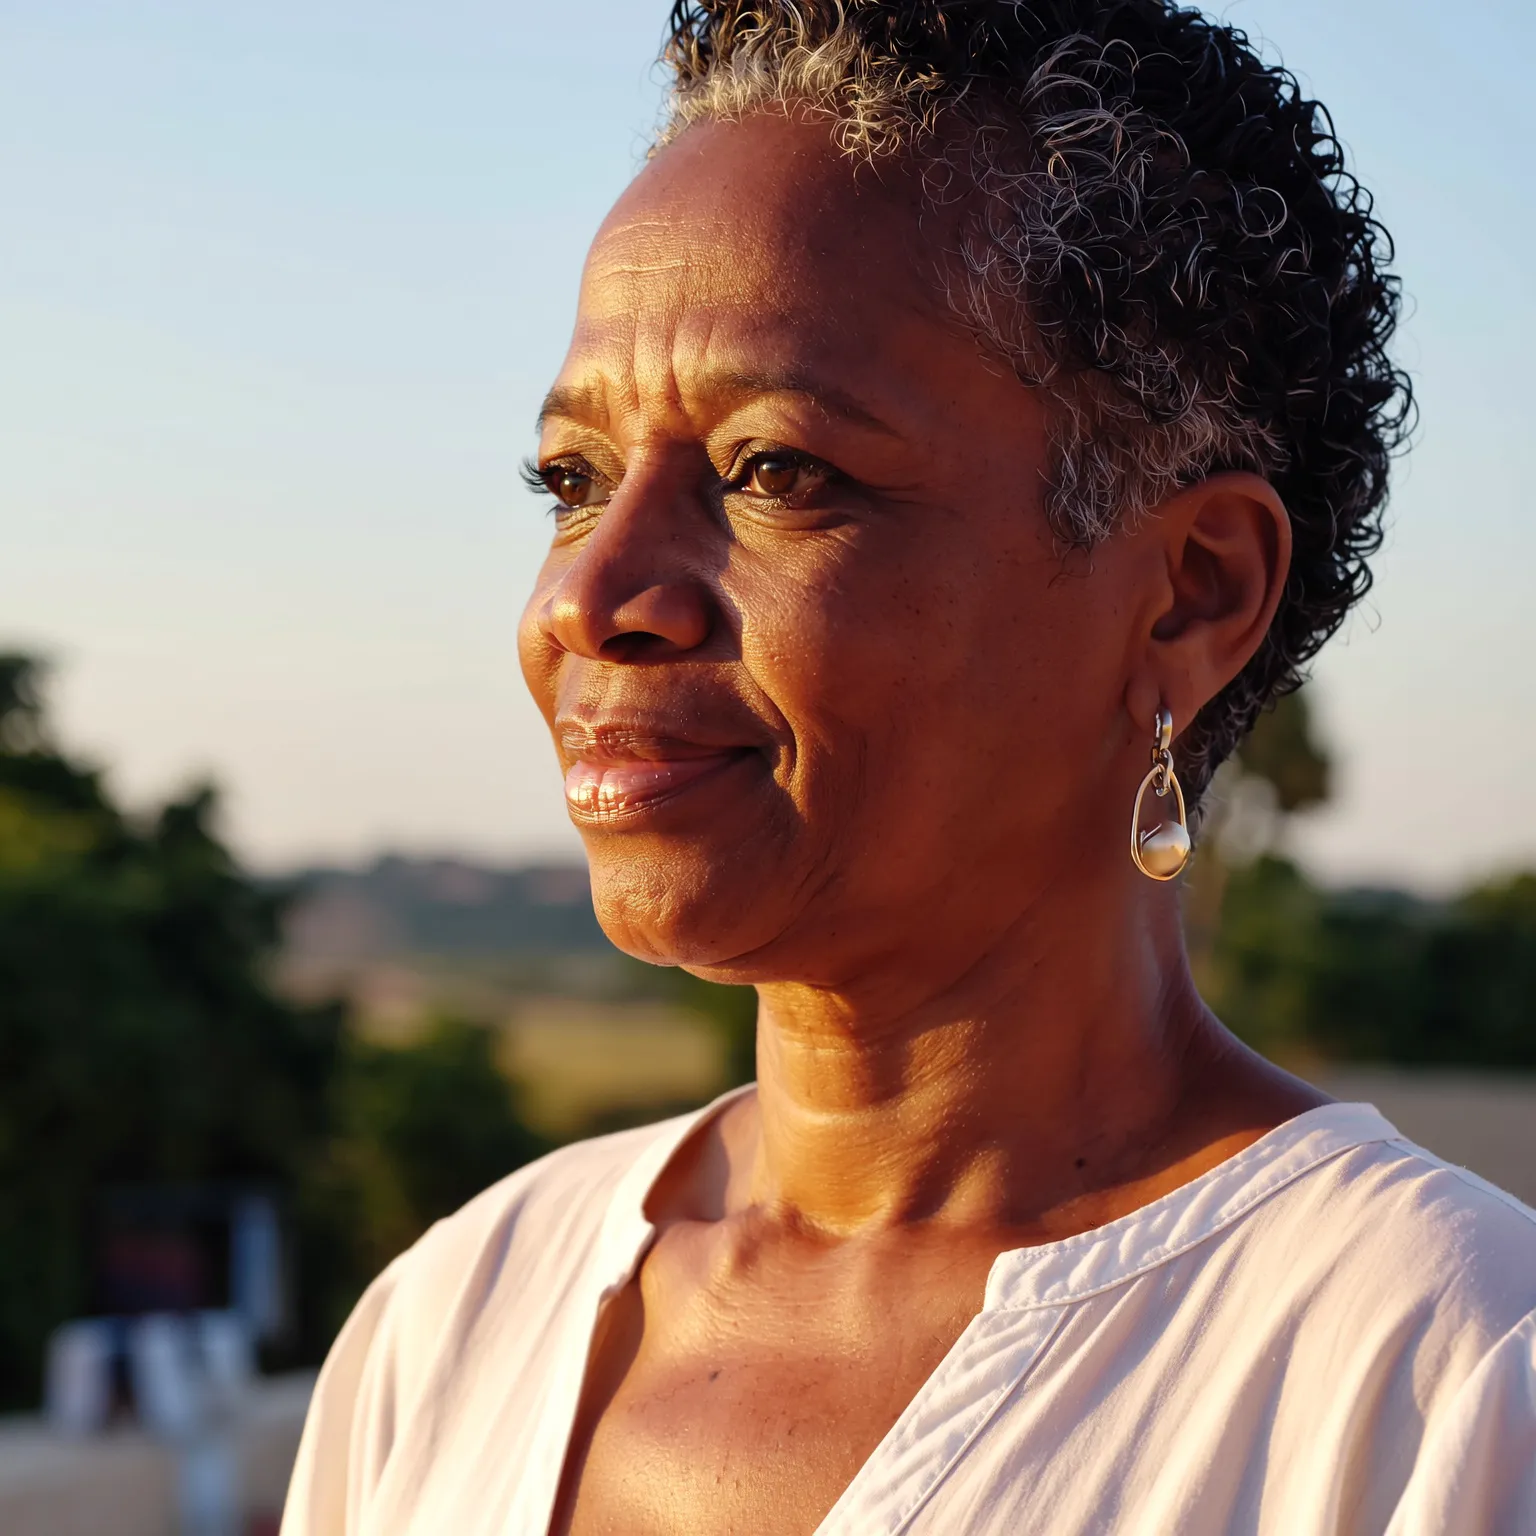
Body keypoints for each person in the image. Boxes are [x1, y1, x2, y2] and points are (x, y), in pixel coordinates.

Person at [281, 3, 1536, 1532]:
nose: (589, 599)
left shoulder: (1430, 1379)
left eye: (778, 473)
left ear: (1193, 588)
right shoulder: (456, 1324)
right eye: (572, 480)